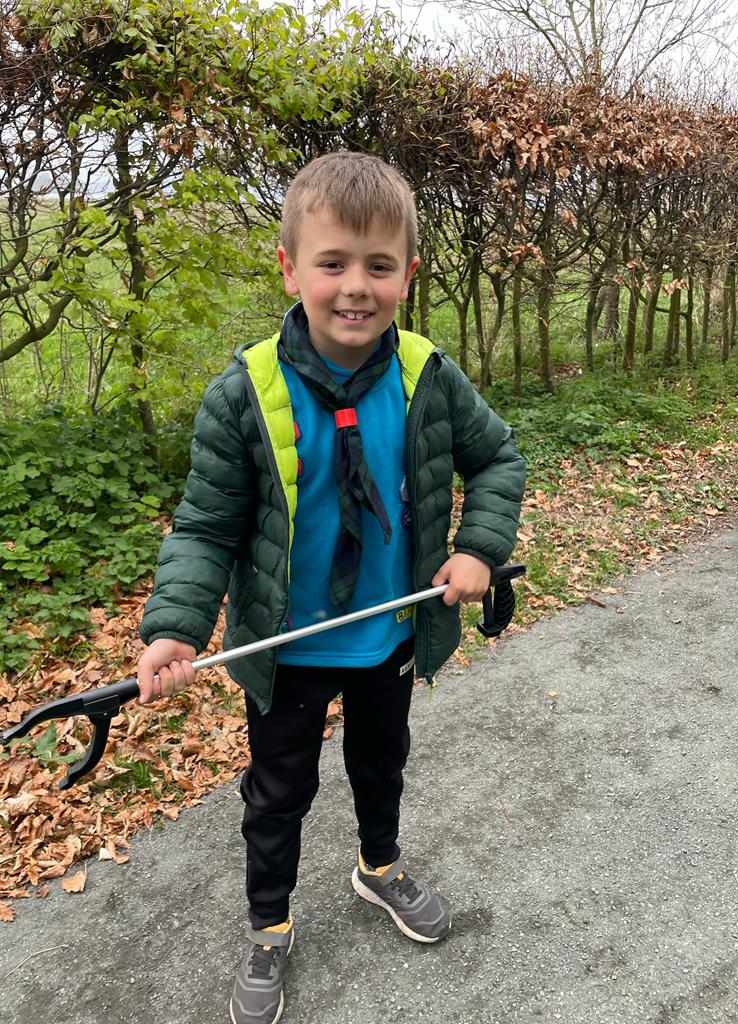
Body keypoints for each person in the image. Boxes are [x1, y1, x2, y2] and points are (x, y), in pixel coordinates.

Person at [137, 151, 526, 1024]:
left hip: (390, 635)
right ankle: (269, 926)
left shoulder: (427, 373)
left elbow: (497, 457)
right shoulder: (244, 393)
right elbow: (205, 527)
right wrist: (177, 626)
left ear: (408, 276)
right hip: (290, 649)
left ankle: (378, 868)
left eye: (379, 267)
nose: (356, 287)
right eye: (334, 263)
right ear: (290, 266)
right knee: (278, 792)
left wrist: (478, 548)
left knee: (381, 763)